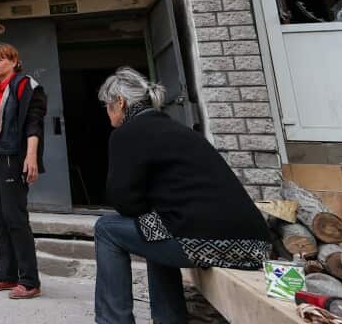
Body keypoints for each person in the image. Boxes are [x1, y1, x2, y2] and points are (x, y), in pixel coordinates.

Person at [94, 67, 272, 324]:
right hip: (255, 244)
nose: (107, 113)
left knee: (106, 228)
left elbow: (124, 202)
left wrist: (144, 206)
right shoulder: (177, 129)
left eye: (107, 106)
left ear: (119, 102)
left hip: (206, 239)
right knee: (154, 229)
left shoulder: (127, 133)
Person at [0, 43, 48, 300]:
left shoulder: (26, 86)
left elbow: (33, 123)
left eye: (0, 60)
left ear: (14, 60)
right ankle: (6, 275)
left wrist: (31, 156)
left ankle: (29, 280)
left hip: (12, 157)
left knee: (15, 217)